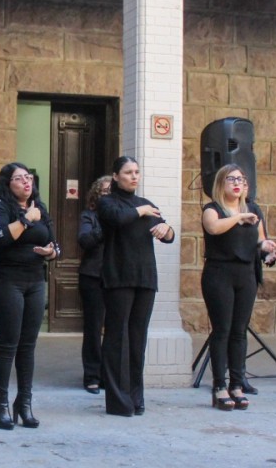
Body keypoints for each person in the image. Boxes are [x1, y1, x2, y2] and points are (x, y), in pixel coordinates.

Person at [97, 156, 174, 417]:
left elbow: (167, 234)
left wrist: (166, 229)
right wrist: (140, 212)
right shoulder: (107, 202)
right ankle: (118, 400)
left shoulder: (147, 204)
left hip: (144, 277)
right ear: (116, 176)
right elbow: (117, 220)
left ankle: (135, 396)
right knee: (118, 336)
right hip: (119, 276)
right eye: (128, 172)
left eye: (137, 172)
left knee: (138, 338)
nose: (134, 176)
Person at [0, 163, 57, 430]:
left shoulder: (40, 206)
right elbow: (0, 239)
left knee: (28, 345)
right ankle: (1, 404)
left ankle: (24, 403)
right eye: (19, 179)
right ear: (7, 183)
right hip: (6, 281)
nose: (26, 182)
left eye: (29, 177)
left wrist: (50, 253)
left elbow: (54, 243)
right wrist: (27, 219)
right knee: (8, 344)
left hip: (35, 280)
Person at [201, 164, 276, 411]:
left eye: (241, 179)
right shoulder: (213, 209)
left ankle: (236, 385)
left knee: (239, 331)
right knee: (221, 330)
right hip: (219, 273)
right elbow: (214, 228)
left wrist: (267, 248)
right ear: (222, 183)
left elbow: (260, 239)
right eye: (231, 179)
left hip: (246, 274)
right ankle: (219, 386)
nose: (237, 183)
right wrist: (238, 217)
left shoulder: (253, 209)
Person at [77, 175, 111, 394]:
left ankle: (108, 374)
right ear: (97, 194)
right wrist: (105, 226)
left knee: (115, 328)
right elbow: (84, 241)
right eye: (105, 191)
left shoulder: (124, 216)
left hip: (117, 277)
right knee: (93, 327)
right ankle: (91, 375)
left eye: (111, 191)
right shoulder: (89, 216)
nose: (108, 195)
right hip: (92, 276)